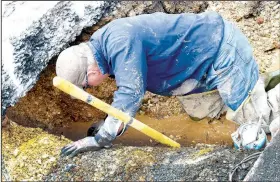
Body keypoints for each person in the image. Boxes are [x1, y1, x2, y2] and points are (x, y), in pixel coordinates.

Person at [56, 11, 280, 157]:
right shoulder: (103, 47)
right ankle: (254, 85)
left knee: (254, 123)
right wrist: (114, 124)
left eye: (86, 86)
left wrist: (104, 136)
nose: (90, 89)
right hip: (198, 66)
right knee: (203, 111)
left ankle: (263, 95)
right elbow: (127, 95)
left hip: (220, 48)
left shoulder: (119, 41)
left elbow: (131, 92)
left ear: (91, 71)